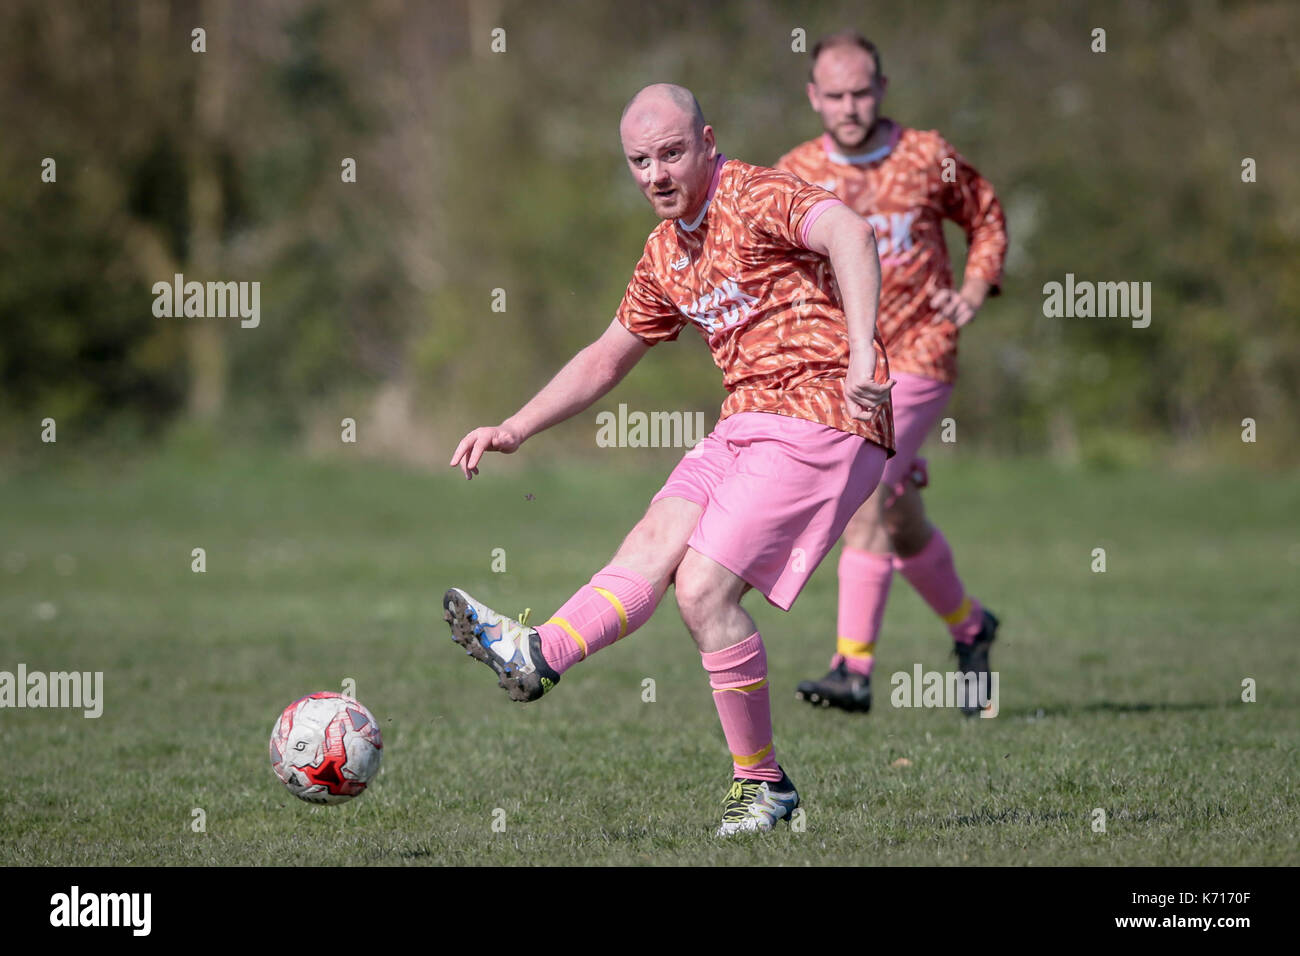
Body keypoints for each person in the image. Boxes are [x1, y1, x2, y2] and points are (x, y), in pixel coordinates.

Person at [443, 83, 895, 835]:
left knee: (703, 591)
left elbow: (850, 232)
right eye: (639, 160)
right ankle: (536, 654)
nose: (656, 173)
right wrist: (515, 427)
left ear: (707, 141)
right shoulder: (665, 251)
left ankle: (763, 788)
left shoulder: (755, 196)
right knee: (651, 547)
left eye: (672, 153)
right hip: (746, 420)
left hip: (824, 412)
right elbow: (604, 359)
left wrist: (859, 357)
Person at [776, 32, 1008, 715]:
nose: (850, 106)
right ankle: (972, 627)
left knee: (864, 494)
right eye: (835, 95)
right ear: (813, 97)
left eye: (862, 92)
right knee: (900, 518)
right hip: (849, 365)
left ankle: (852, 667)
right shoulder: (791, 174)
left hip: (921, 353)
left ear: (882, 88)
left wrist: (973, 288)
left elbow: (986, 218)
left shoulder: (925, 156)